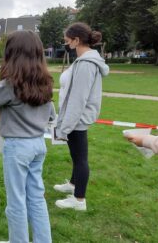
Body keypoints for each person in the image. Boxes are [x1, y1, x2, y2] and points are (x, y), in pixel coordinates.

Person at [0, 30, 54, 243]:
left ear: (13, 54)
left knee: (17, 201)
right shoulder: (45, 81)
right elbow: (52, 114)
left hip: (18, 147)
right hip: (38, 145)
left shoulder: (11, 84)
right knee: (36, 198)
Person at [54, 22, 109, 211]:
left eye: (68, 41)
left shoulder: (86, 64)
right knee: (76, 155)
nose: (66, 44)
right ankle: (73, 184)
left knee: (80, 159)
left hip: (77, 120)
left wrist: (65, 127)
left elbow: (78, 99)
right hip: (75, 119)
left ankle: (79, 200)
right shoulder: (83, 61)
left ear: (77, 40)